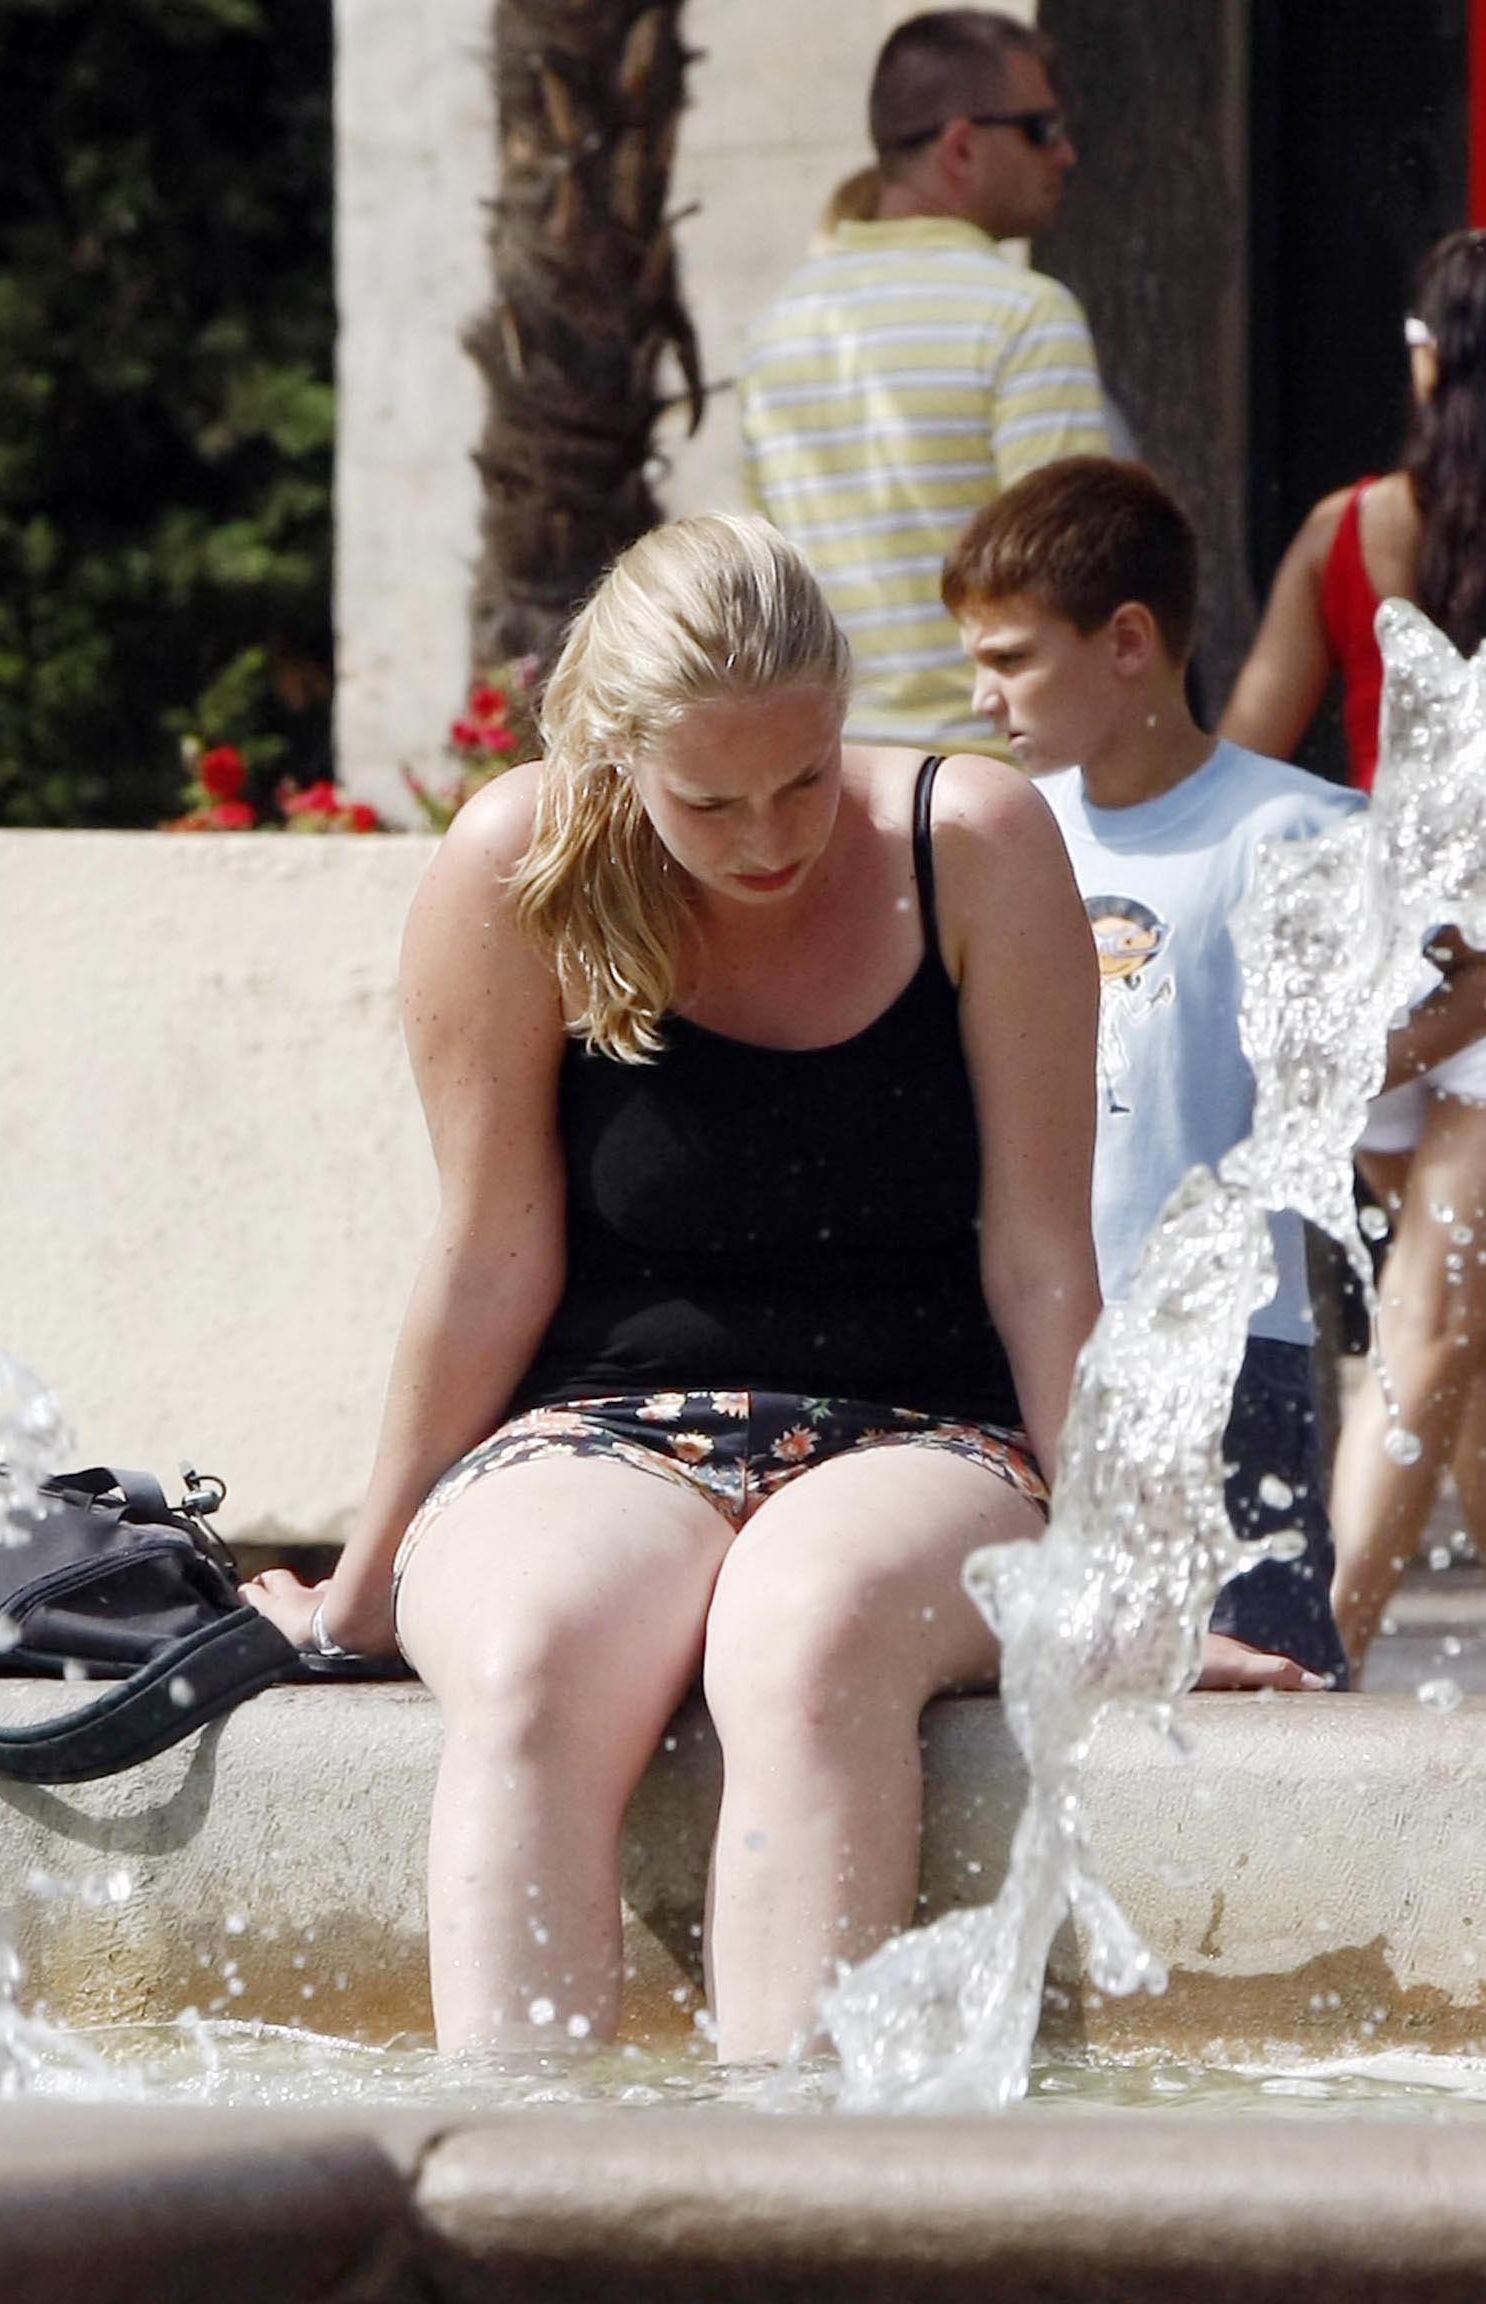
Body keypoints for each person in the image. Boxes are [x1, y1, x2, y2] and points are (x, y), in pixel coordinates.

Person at [240, 513, 1102, 2059]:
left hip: (925, 1435)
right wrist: (361, 1581)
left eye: (800, 781)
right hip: (603, 1425)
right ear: (612, 758)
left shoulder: (971, 842)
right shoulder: (518, 863)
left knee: (812, 1626)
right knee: (528, 1655)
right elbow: (490, 1256)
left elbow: (1040, 1257)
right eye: (709, 802)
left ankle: (773, 2207)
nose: (770, 839)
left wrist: (1125, 1572)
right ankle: (520, 2202)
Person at [1219, 230, 1486, 1676]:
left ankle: (1460, 1655)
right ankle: (1424, 1662)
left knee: (1463, 1334)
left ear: (1431, 359)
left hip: (1384, 965)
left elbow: (1246, 754)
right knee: (1456, 1330)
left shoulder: (1353, 530)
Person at [943, 456, 1357, 1692]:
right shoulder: (1004, 833)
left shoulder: (1287, 828)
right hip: (1034, 1336)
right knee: (1060, 1684)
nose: (981, 699)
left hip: (1227, 1345)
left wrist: (1326, 1071)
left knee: (1262, 1682)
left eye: (1010, 659)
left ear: (1127, 641)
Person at [737, 11, 1110, 751]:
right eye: (1041, 128)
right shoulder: (1026, 315)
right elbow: (1074, 576)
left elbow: (767, 591)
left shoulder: (776, 328)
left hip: (836, 783)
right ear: (962, 145)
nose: (1064, 153)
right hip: (994, 779)